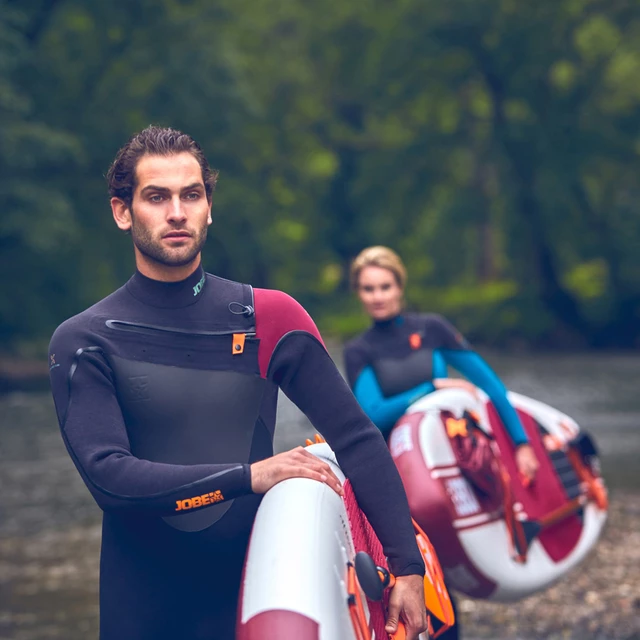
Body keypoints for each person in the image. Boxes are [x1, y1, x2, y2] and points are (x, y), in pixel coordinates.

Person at [48, 128, 428, 640]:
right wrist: (248, 476)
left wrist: (407, 567)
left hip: (260, 590)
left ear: (209, 207)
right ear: (122, 212)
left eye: (191, 194)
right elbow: (111, 480)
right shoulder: (85, 340)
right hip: (143, 607)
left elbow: (357, 438)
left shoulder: (268, 317)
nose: (177, 212)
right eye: (156, 197)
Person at [344, 246, 540, 482]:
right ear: (358, 293)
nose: (378, 297)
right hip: (401, 464)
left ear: (399, 287)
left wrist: (522, 444)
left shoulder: (432, 329)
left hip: (451, 451)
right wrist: (432, 388)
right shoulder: (358, 350)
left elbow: (490, 384)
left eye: (385, 287)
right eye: (368, 289)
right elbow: (375, 416)